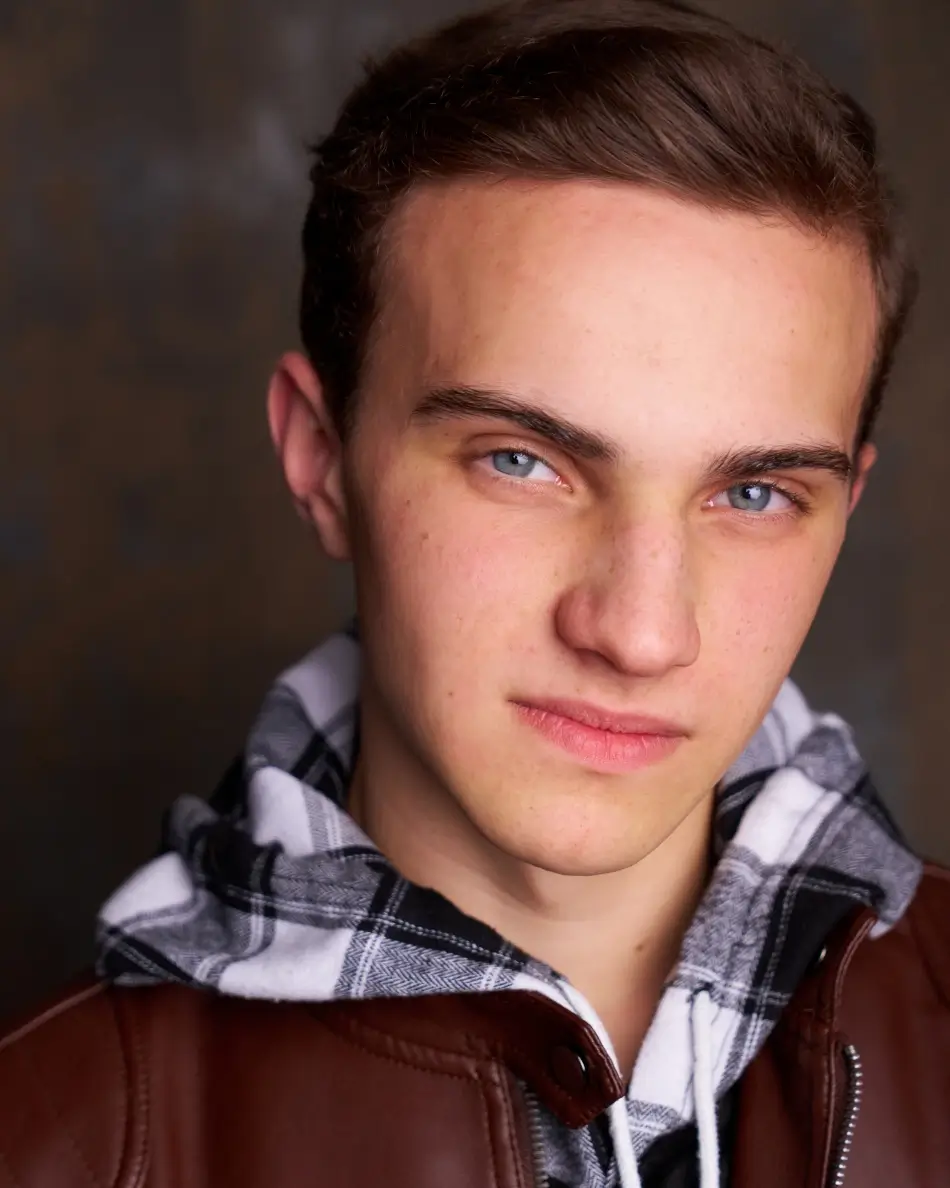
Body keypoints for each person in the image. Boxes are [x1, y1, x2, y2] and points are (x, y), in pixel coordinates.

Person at [1, 1, 947, 1185]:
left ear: (843, 510)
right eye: (522, 462)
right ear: (319, 457)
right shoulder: (45, 1140)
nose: (640, 632)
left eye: (751, 493)